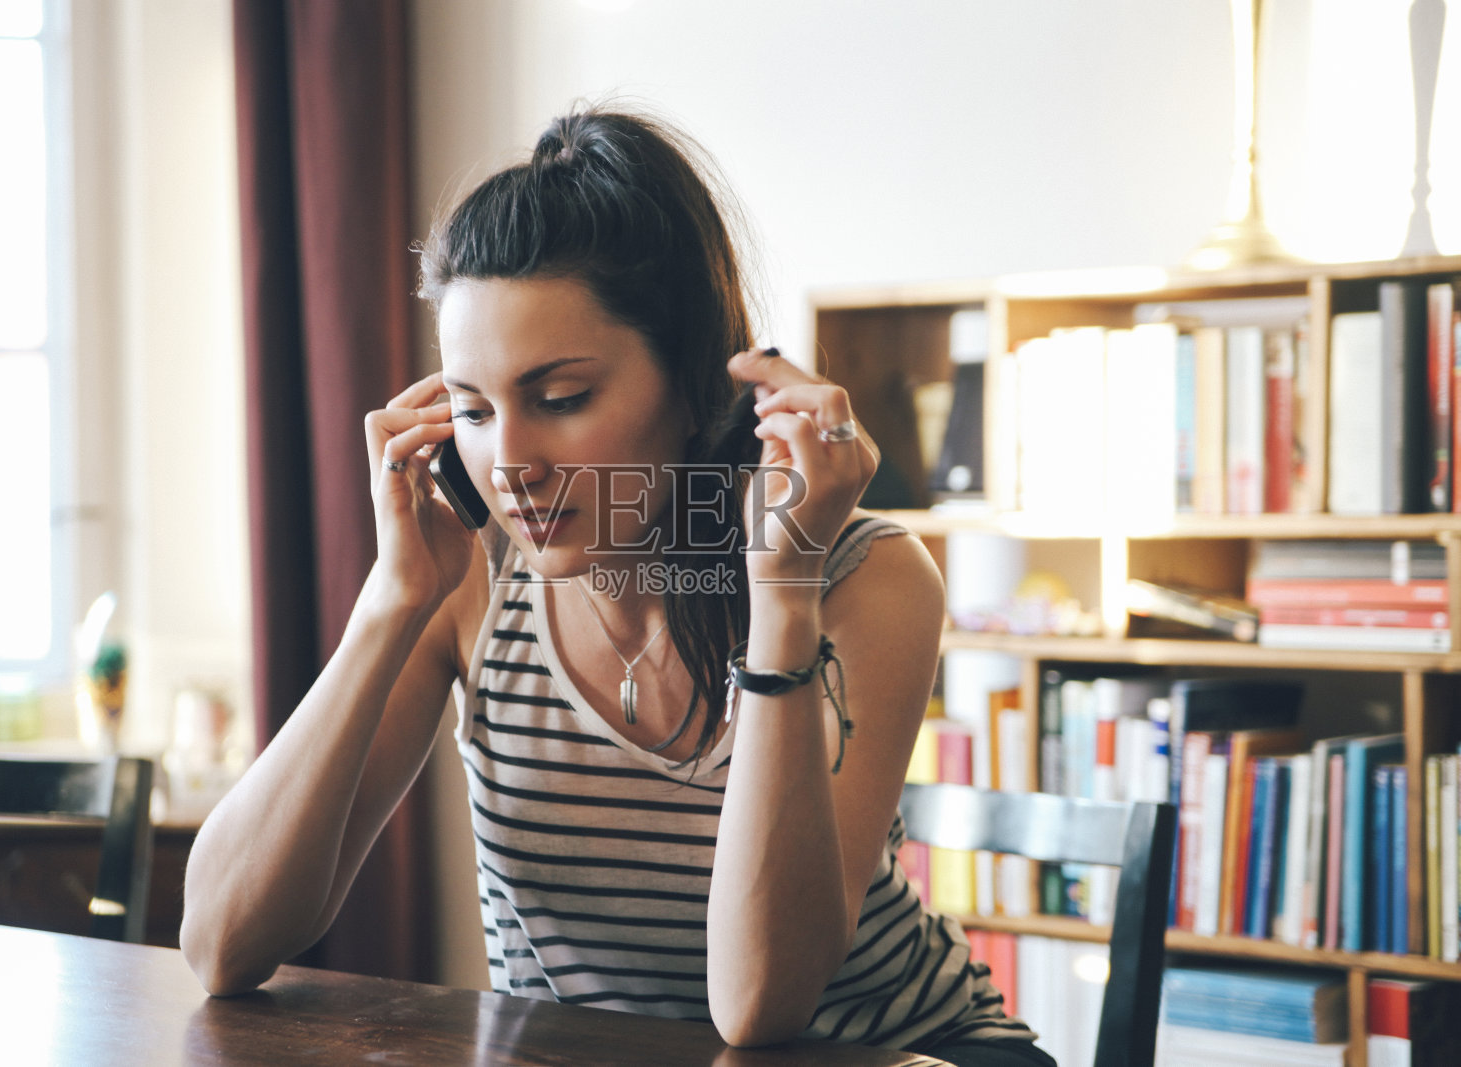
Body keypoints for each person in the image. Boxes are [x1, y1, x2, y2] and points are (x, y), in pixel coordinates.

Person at [180, 105, 1055, 1066]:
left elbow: (760, 1003)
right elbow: (220, 940)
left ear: (691, 388)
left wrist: (782, 596)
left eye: (561, 400)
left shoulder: (863, 576)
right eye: (472, 408)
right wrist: (392, 602)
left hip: (901, 1053)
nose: (507, 460)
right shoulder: (466, 584)